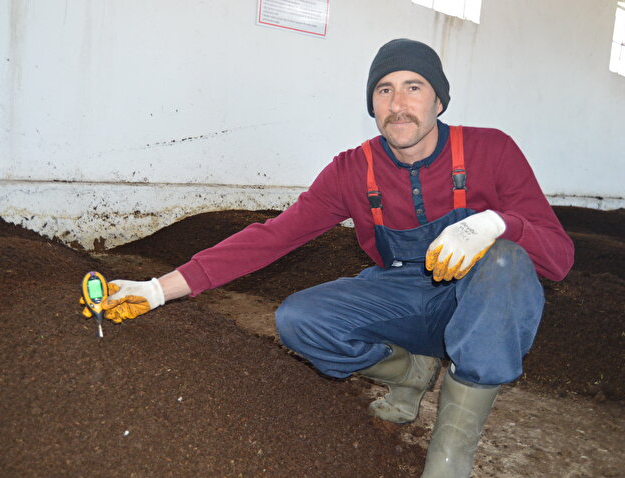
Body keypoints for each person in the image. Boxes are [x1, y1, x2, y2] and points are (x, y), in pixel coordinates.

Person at [82, 39, 574, 477]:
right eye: (384, 90)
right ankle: (413, 373)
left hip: (475, 303)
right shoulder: (353, 171)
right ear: (371, 105)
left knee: (505, 262)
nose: (398, 104)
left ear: (439, 100)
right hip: (402, 294)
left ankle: (450, 455)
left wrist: (495, 224)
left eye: (414, 87)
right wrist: (156, 289)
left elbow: (559, 258)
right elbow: (272, 237)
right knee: (299, 319)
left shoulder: (492, 151)